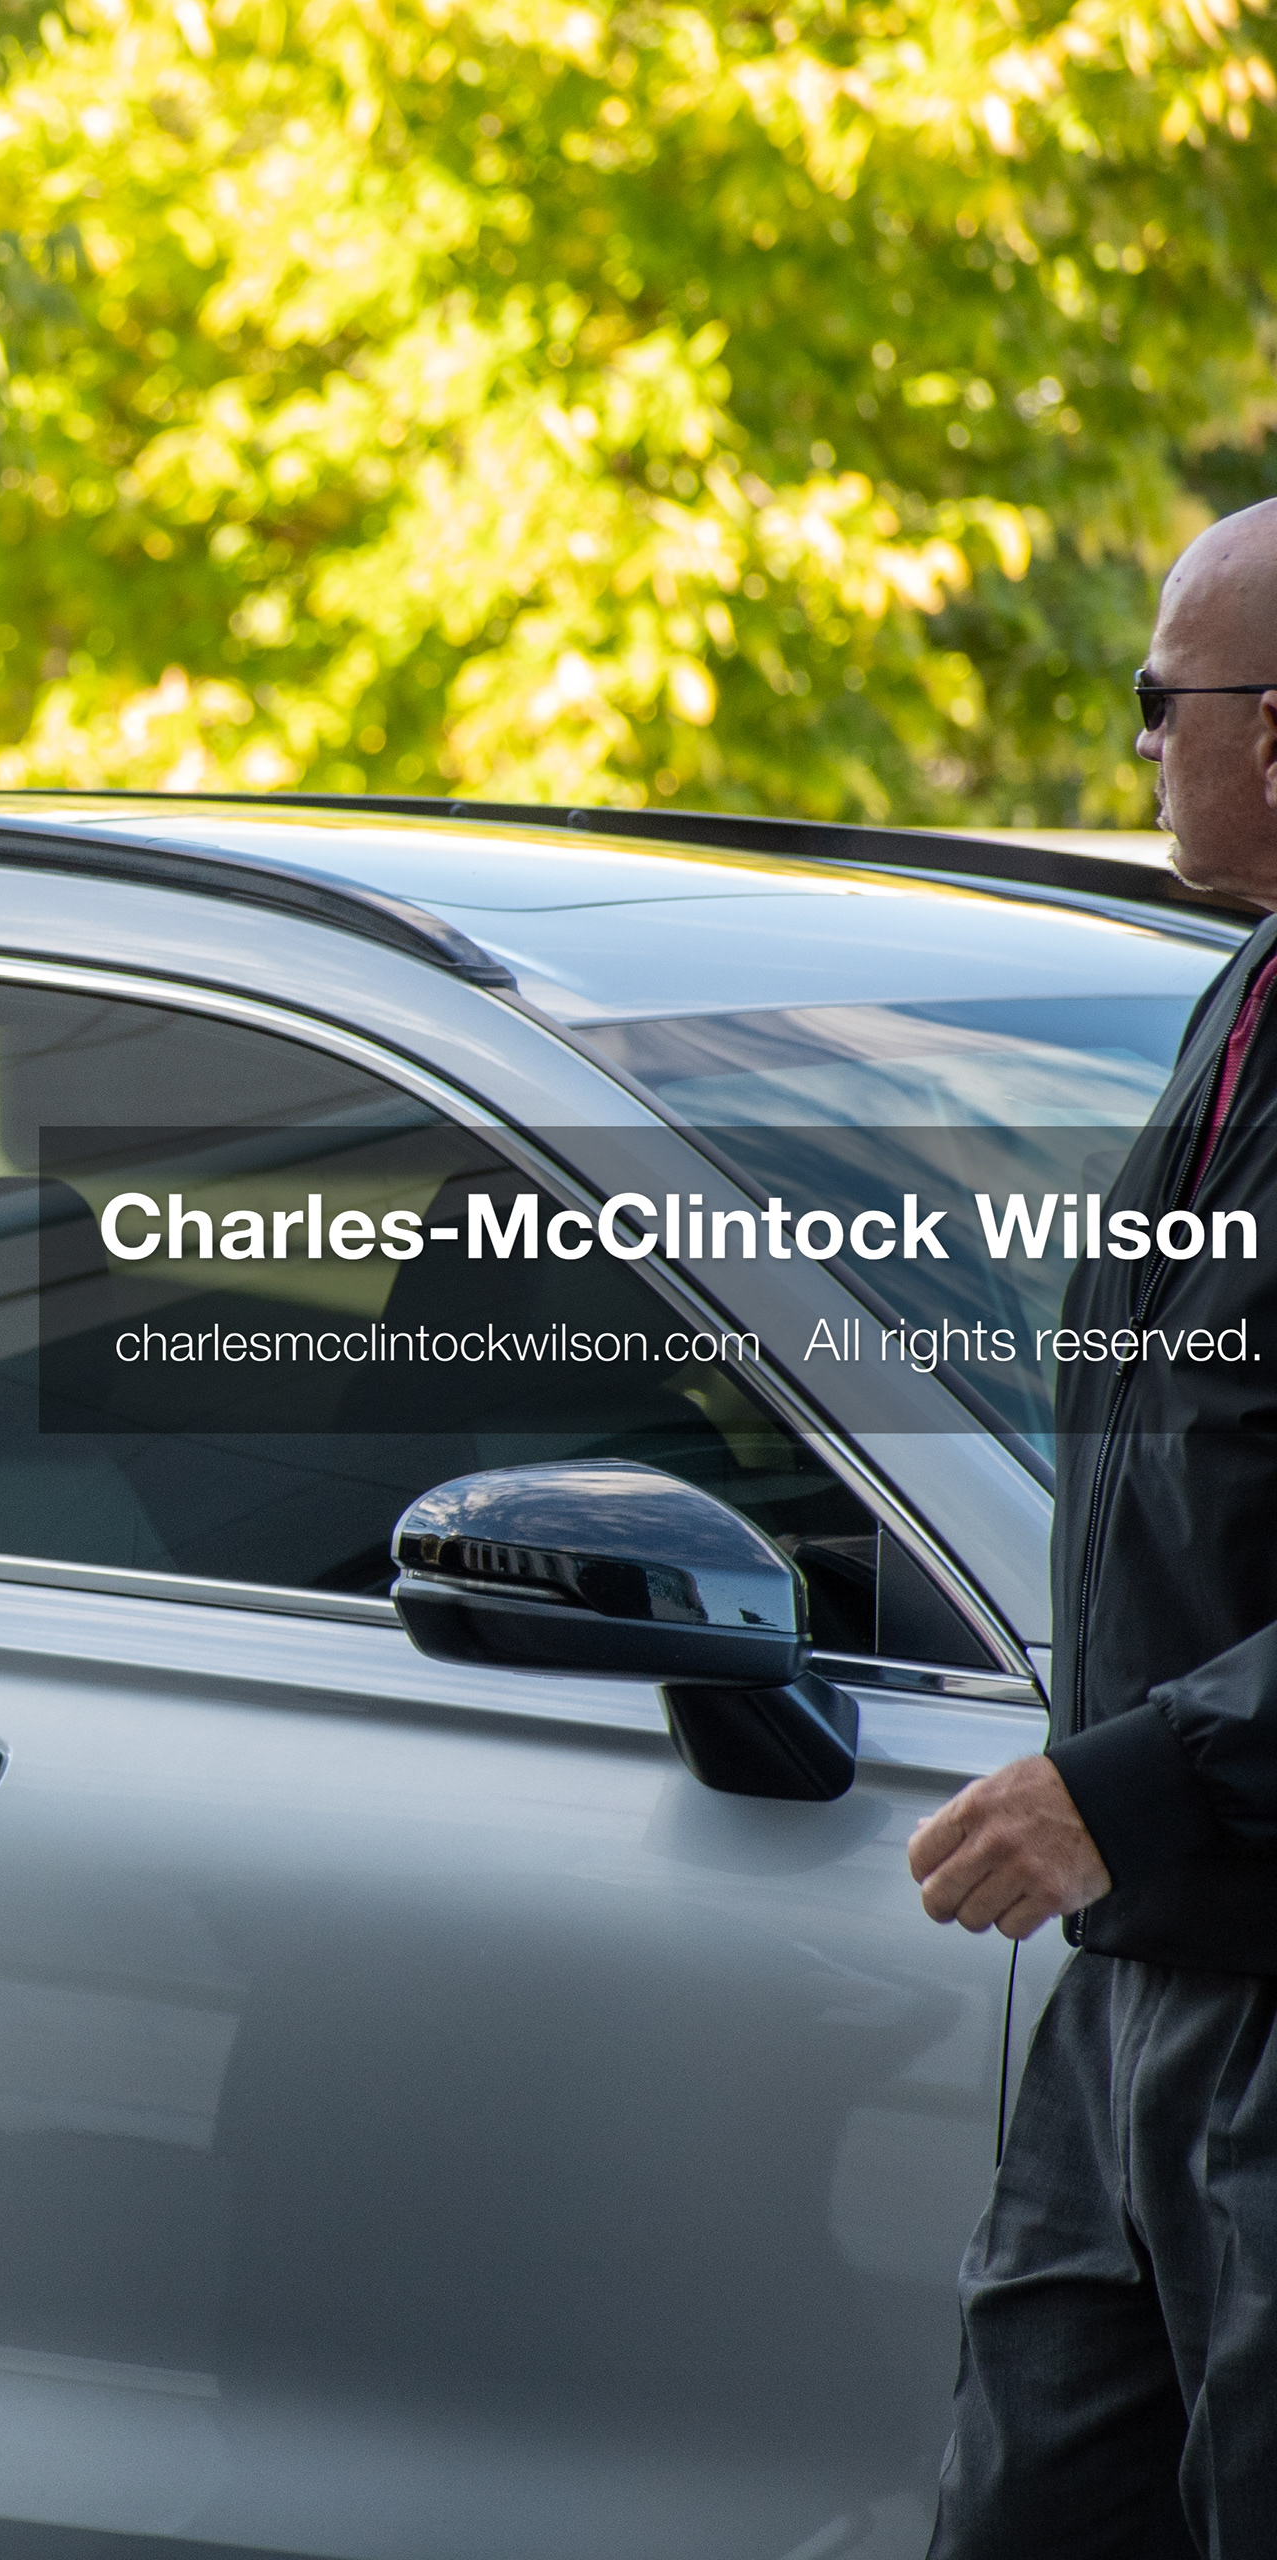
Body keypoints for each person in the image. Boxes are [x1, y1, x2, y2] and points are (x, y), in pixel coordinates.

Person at [909, 494, 1277, 2555]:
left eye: (1163, 702)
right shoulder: (1242, 994)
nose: (1140, 744)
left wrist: (1123, 1780)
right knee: (1030, 2497)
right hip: (1134, 1971)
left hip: (1243, 1962)